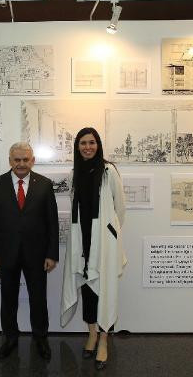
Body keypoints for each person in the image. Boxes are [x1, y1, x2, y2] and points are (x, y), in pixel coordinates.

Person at [0, 142, 59, 361]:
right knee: (8, 299)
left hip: (37, 254)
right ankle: (10, 338)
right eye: (17, 160)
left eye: (25, 159)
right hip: (6, 253)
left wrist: (52, 254)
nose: (21, 164)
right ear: (10, 161)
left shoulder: (44, 184)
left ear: (32, 160)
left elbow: (52, 222)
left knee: (38, 299)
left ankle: (41, 338)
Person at [60, 127, 126, 371]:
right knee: (88, 290)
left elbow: (120, 209)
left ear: (98, 145)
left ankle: (104, 340)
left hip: (103, 242)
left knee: (105, 290)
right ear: (77, 147)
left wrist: (110, 234)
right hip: (82, 240)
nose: (87, 147)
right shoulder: (73, 174)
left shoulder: (109, 171)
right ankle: (91, 334)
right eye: (83, 143)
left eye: (92, 142)